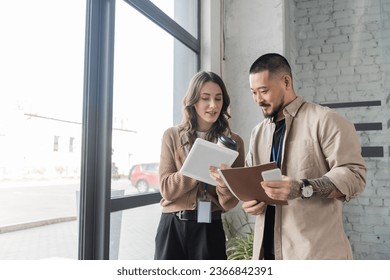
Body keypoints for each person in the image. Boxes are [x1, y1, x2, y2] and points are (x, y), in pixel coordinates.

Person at [241, 53, 366, 259]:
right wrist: (251, 203)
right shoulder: (258, 133)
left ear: (286, 82)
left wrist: (301, 188)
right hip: (266, 255)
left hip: (314, 256)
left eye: (263, 91)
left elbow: (354, 176)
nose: (258, 100)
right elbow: (253, 185)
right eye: (253, 92)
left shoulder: (326, 120)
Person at [154, 71, 245, 260]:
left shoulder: (233, 141)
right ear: (193, 101)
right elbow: (167, 190)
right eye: (205, 98)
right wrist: (199, 165)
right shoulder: (172, 136)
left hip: (210, 227)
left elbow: (230, 202)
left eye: (218, 99)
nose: (213, 105)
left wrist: (223, 184)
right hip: (173, 225)